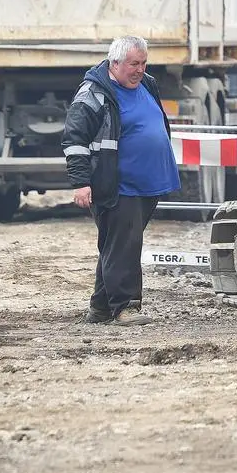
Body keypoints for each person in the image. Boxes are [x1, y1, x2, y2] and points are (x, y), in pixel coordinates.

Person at [64, 35, 180, 326]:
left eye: (143, 63)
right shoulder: (93, 94)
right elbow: (74, 140)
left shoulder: (147, 84)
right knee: (124, 245)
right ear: (114, 63)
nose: (140, 70)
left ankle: (101, 308)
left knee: (117, 244)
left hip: (148, 184)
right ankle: (126, 306)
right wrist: (80, 182)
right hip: (117, 185)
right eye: (133, 64)